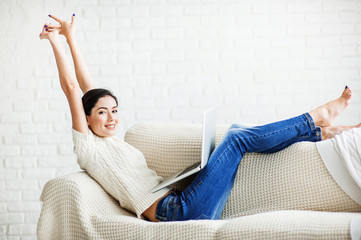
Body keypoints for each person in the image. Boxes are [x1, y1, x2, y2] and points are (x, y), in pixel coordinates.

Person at [40, 14, 361, 222]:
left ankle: (323, 133)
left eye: (114, 110)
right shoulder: (89, 147)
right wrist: (54, 40)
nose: (111, 118)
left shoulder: (109, 139)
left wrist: (72, 36)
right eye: (101, 113)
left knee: (237, 131)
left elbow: (88, 86)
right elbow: (73, 88)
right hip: (177, 213)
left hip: (181, 199)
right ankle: (316, 118)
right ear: (86, 118)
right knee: (237, 138)